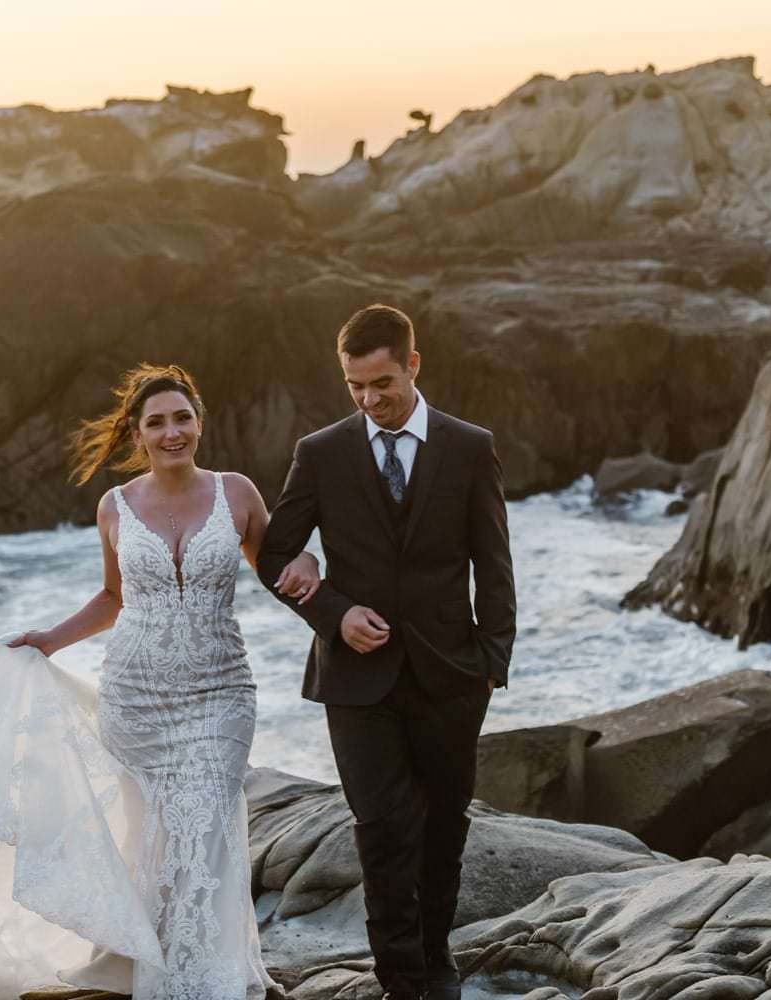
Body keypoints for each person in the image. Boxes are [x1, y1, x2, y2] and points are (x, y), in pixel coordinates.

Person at [0, 363, 319, 1000]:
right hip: (138, 696)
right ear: (137, 435)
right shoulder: (116, 506)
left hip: (221, 690)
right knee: (156, 835)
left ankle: (201, 978)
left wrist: (312, 570)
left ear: (199, 422)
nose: (172, 432)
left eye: (182, 418)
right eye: (156, 422)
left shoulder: (236, 493)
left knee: (207, 820)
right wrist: (47, 640)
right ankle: (150, 966)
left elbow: (275, 570)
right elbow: (112, 598)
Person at [256, 305, 516, 1000]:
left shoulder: (468, 446)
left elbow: (495, 563)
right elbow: (276, 553)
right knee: (383, 828)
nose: (371, 400)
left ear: (413, 366)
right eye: (355, 387)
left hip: (452, 676)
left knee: (443, 829)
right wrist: (333, 614)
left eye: (382, 383)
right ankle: (403, 981)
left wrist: (493, 663)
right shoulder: (322, 452)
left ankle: (437, 963)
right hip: (355, 682)